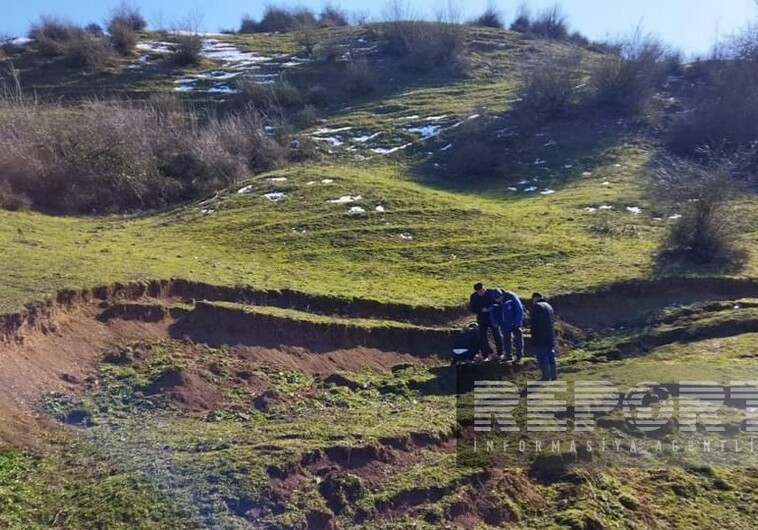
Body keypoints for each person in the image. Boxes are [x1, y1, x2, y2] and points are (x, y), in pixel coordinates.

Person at [469, 282, 504, 361]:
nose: (480, 293)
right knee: (482, 337)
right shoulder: (473, 297)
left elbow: (498, 302)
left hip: (493, 318)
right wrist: (481, 310)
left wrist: (492, 309)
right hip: (482, 319)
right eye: (478, 292)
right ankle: (486, 354)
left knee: (497, 335)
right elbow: (472, 308)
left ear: (484, 288)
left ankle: (500, 353)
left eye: (482, 291)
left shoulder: (491, 293)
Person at [490, 289, 524, 363]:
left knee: (518, 338)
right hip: (504, 323)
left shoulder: (511, 297)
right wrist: (495, 322)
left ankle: (519, 355)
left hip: (514, 322)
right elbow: (493, 312)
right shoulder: (495, 302)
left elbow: (519, 309)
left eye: (499, 298)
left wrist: (518, 321)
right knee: (506, 339)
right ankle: (508, 355)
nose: (498, 300)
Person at [530, 292, 557, 381]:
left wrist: (533, 334)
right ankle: (553, 376)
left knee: (542, 356)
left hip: (540, 336)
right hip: (550, 335)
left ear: (534, 298)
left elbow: (534, 323)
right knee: (551, 356)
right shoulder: (549, 306)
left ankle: (545, 376)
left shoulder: (536, 307)